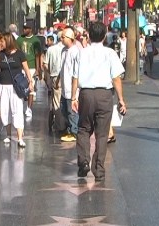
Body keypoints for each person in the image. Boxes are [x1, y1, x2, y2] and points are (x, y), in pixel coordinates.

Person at [71, 22, 127, 182]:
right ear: (104, 35)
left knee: (83, 129)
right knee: (102, 134)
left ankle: (83, 161)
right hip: (104, 94)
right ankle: (99, 170)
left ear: (88, 34)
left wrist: (74, 97)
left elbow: (75, 77)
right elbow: (116, 78)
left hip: (86, 94)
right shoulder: (110, 53)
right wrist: (121, 100)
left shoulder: (81, 53)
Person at [0, 32, 34, 148]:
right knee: (5, 110)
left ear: (8, 41)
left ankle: (20, 138)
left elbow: (26, 68)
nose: (0, 43)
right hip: (4, 86)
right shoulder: (0, 54)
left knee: (17, 110)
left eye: (2, 41)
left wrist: (30, 81)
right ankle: (8, 135)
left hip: (16, 86)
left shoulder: (19, 54)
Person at [16, 21, 42, 118]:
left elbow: (37, 55)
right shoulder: (19, 39)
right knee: (20, 87)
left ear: (30, 29)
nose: (24, 29)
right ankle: (20, 107)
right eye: (23, 27)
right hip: (21, 67)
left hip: (31, 67)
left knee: (31, 89)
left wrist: (38, 69)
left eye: (26, 28)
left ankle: (29, 109)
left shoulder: (35, 40)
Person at [59, 27, 80, 142]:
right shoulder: (63, 51)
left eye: (63, 37)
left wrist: (74, 93)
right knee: (64, 110)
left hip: (72, 89)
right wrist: (58, 80)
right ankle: (69, 129)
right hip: (64, 87)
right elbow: (62, 68)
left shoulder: (75, 52)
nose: (61, 39)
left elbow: (75, 73)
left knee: (72, 111)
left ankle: (74, 131)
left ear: (70, 38)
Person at [43, 31, 65, 132]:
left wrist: (50, 73)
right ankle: (65, 124)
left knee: (56, 101)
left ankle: (59, 125)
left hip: (54, 76)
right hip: (67, 78)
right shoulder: (68, 49)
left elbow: (45, 64)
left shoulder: (51, 49)